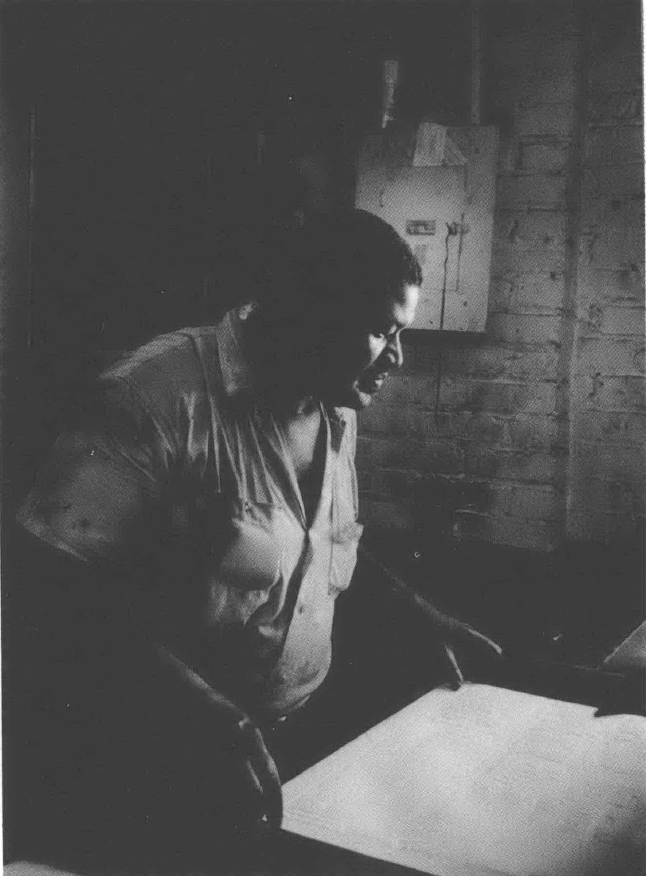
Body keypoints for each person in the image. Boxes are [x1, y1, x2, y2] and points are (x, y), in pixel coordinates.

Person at [9, 209, 501, 872]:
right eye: (383, 330)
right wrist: (198, 710)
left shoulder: (333, 395)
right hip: (157, 755)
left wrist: (410, 610)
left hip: (280, 746)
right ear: (316, 312)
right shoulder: (153, 398)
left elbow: (313, 539)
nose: (398, 357)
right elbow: (48, 585)